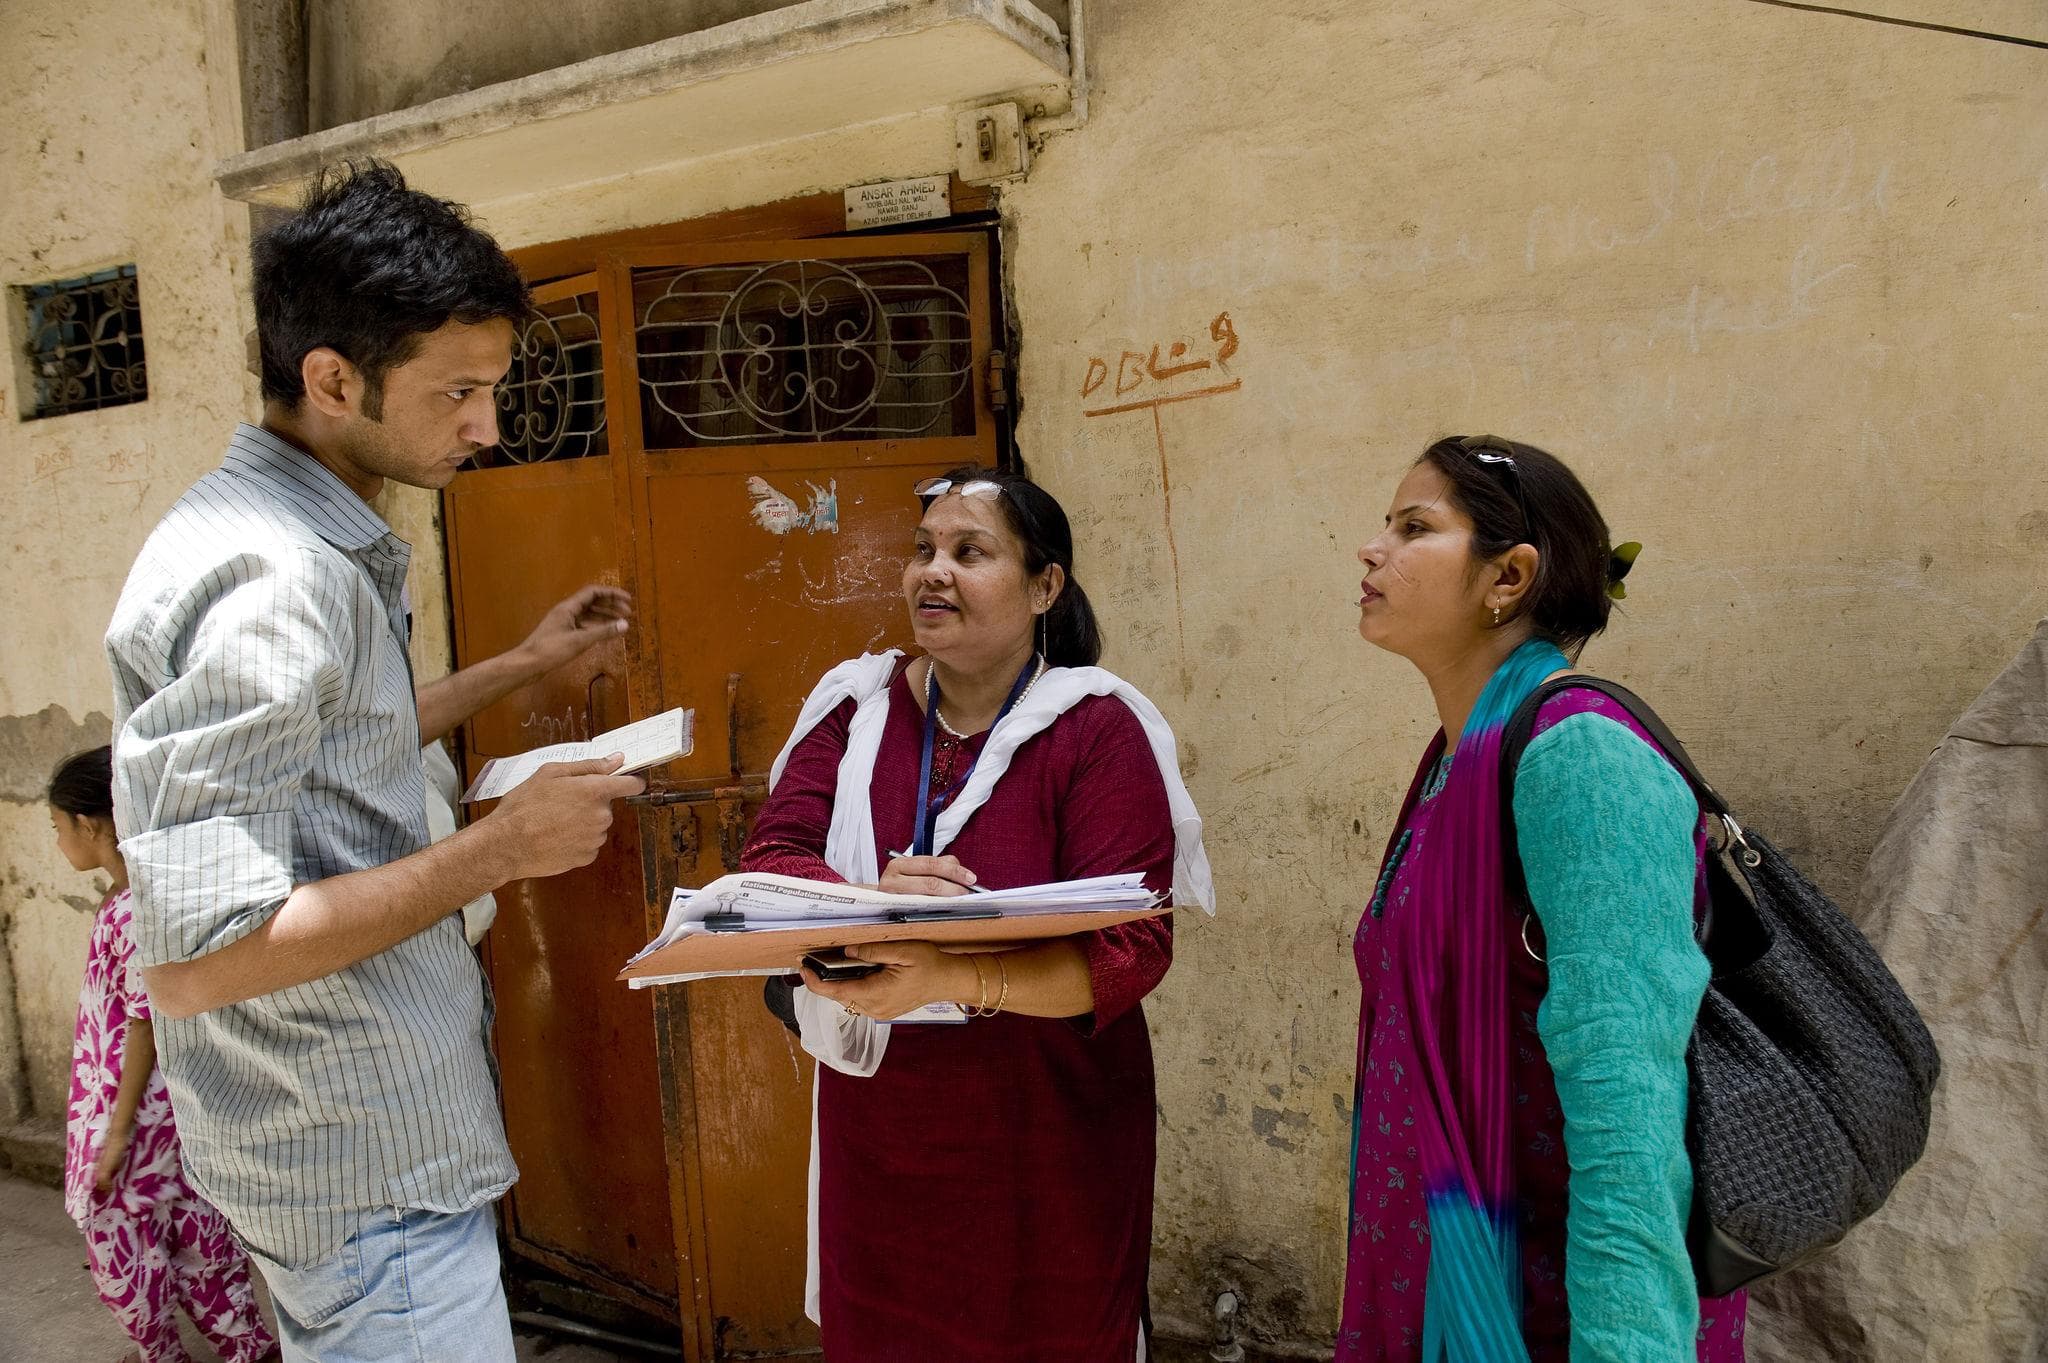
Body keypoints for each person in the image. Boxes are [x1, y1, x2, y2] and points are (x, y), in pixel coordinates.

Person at [103, 160, 644, 1363]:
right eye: (457, 391)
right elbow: (199, 959)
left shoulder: (280, 533)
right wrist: (495, 850)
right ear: (334, 379)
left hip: (344, 1155)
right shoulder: (280, 577)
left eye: (494, 389)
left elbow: (325, 758)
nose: (486, 428)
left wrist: (514, 666)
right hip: (364, 1174)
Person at [742, 464, 1213, 1363]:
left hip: (1044, 1136)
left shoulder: (1097, 729)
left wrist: (956, 973)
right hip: (879, 1127)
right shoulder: (854, 711)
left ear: (1045, 586)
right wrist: (865, 900)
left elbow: (1133, 949)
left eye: (969, 551)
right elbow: (773, 863)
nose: (933, 571)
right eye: (922, 550)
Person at [1339, 435, 1746, 1361]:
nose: (1371, 548)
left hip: (1567, 1314)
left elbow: (1629, 1104)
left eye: (1413, 527)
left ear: (1508, 576)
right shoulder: (1456, 762)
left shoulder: (1580, 756)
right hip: (1449, 1283)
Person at [47, 746, 279, 1363]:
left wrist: (115, 1135)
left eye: (57, 825)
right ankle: (247, 1348)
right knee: (196, 1231)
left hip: (131, 1112)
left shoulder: (128, 912)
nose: (58, 839)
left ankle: (159, 1353)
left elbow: (141, 1025)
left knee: (122, 1242)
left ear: (90, 825)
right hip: (178, 1108)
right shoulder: (149, 898)